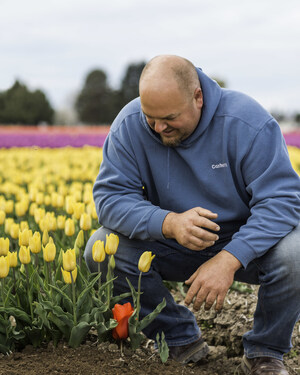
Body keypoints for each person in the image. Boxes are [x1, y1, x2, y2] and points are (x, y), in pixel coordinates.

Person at [84, 55, 300, 375]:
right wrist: (169, 223)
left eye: (169, 117)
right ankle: (178, 338)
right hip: (173, 238)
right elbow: (111, 198)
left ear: (197, 97)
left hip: (244, 239)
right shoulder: (129, 124)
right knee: (101, 249)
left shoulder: (247, 122)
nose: (158, 128)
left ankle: (265, 354)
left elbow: (282, 201)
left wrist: (230, 258)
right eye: (150, 117)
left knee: (295, 254)